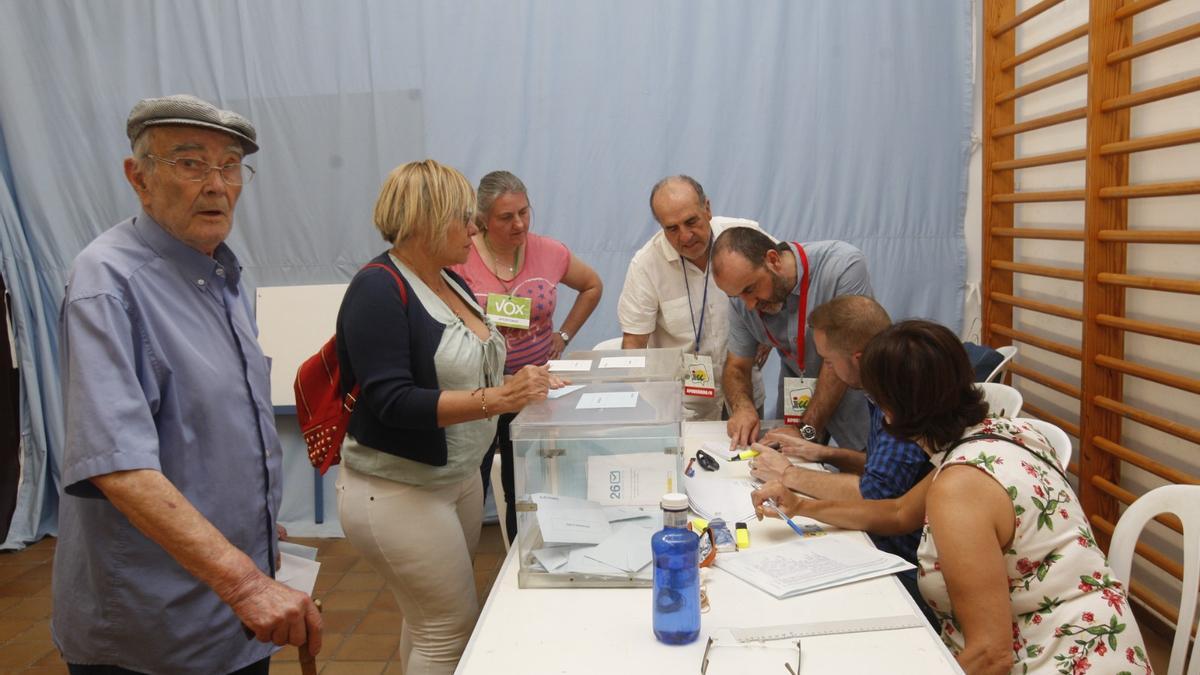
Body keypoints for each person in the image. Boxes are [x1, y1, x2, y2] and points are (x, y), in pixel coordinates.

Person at [52, 94, 320, 674]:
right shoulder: (107, 281)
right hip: (157, 632)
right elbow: (117, 465)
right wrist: (248, 584)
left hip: (237, 617)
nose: (217, 185)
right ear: (138, 177)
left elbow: (212, 425)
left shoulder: (220, 273)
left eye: (230, 167)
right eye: (191, 163)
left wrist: (255, 516)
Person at [752, 321, 1151, 675]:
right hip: (1100, 642)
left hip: (1055, 657)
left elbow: (990, 656)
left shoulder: (960, 488)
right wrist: (801, 506)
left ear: (890, 409)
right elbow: (898, 511)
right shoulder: (1004, 434)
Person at [336, 160, 557, 675]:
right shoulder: (377, 288)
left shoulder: (448, 281)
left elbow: (470, 369)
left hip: (453, 481)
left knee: (427, 623)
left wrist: (519, 386)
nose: (476, 228)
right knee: (449, 633)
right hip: (398, 492)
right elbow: (392, 400)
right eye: (465, 218)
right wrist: (498, 399)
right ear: (425, 221)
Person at [746, 295, 933, 619]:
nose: (826, 371)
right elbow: (895, 473)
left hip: (903, 561)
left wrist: (789, 474)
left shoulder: (902, 399)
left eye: (829, 361)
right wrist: (826, 453)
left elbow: (877, 493)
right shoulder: (881, 390)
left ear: (858, 359)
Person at [452, 170, 602, 542]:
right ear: (482, 220)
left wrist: (562, 335)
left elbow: (592, 285)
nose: (518, 223)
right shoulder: (460, 258)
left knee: (525, 489)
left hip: (535, 392)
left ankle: (527, 557)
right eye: (506, 217)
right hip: (482, 393)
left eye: (524, 212)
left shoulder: (549, 251)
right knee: (471, 483)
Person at [617, 175, 767, 420]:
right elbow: (633, 345)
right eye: (672, 228)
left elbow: (782, 284)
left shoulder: (745, 236)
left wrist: (769, 336)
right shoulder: (646, 265)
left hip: (745, 395)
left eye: (691, 221)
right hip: (683, 407)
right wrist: (646, 408)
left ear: (707, 208)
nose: (685, 237)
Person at [711, 226, 872, 449]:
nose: (748, 304)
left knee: (863, 471)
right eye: (736, 296)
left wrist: (804, 430)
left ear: (773, 259)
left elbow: (839, 360)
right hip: (797, 400)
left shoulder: (842, 266)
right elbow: (736, 365)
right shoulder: (742, 300)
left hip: (853, 401)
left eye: (750, 289)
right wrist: (742, 407)